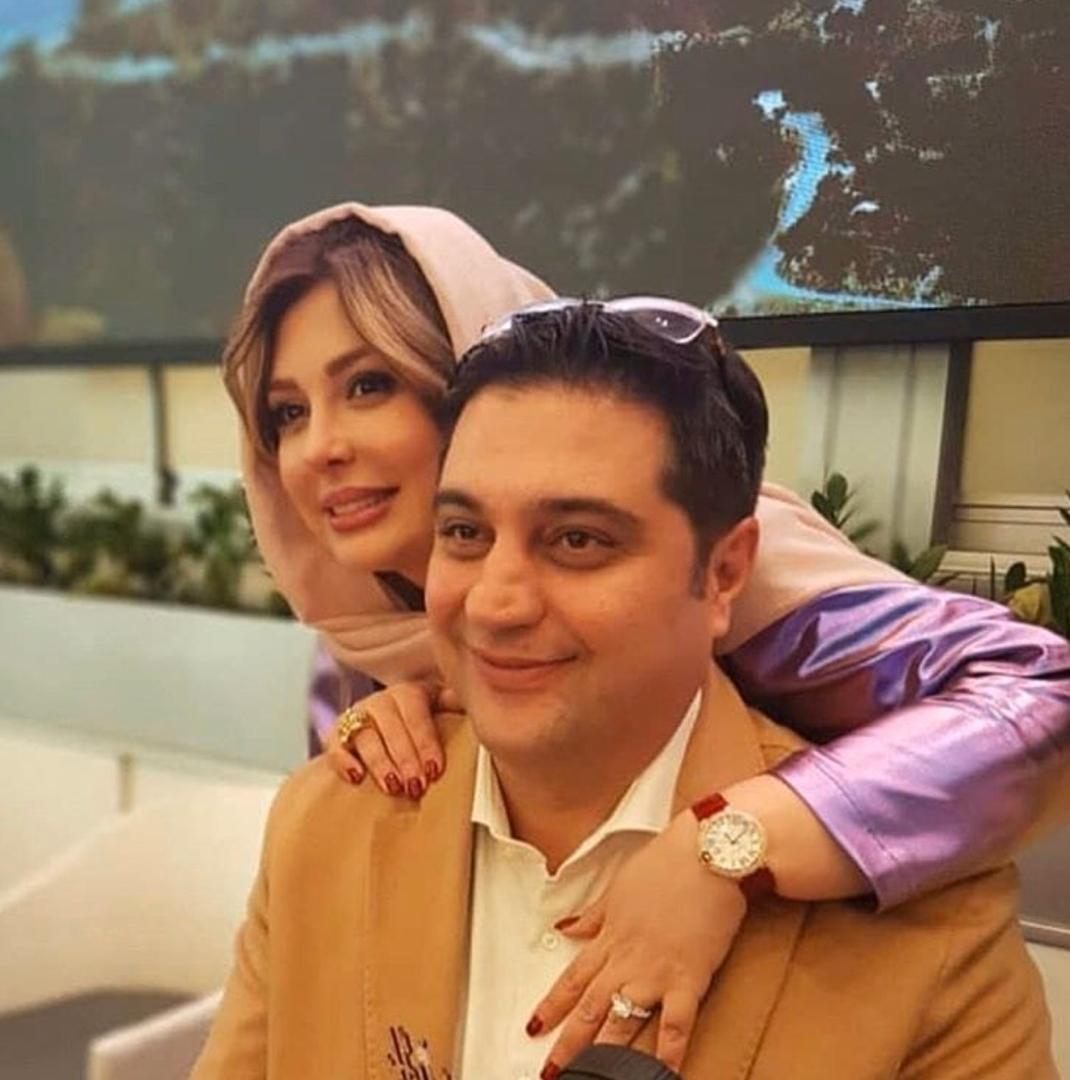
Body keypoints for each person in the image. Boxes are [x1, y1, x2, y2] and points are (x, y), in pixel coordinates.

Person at [223, 202, 1070, 1069]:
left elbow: (1040, 694)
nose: (318, 448)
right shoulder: (351, 680)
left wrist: (730, 844)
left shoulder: (771, 584)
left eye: (368, 386)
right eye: (286, 413)